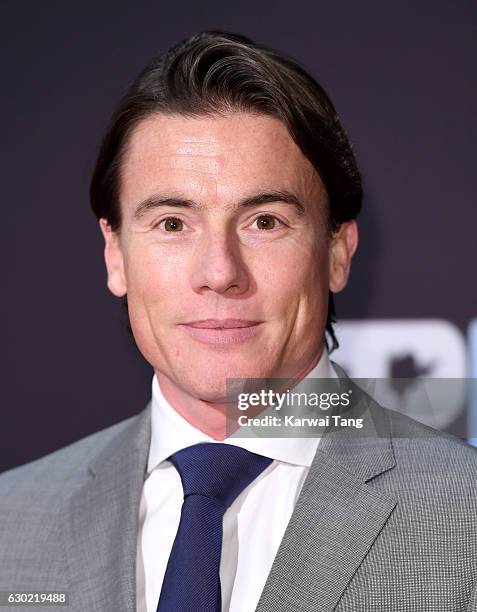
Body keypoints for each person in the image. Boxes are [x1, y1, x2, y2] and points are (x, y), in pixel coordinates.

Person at [1, 30, 476, 612]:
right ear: (115, 254)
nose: (220, 272)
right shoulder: (11, 522)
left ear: (337, 253)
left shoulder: (465, 513)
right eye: (173, 224)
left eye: (265, 222)